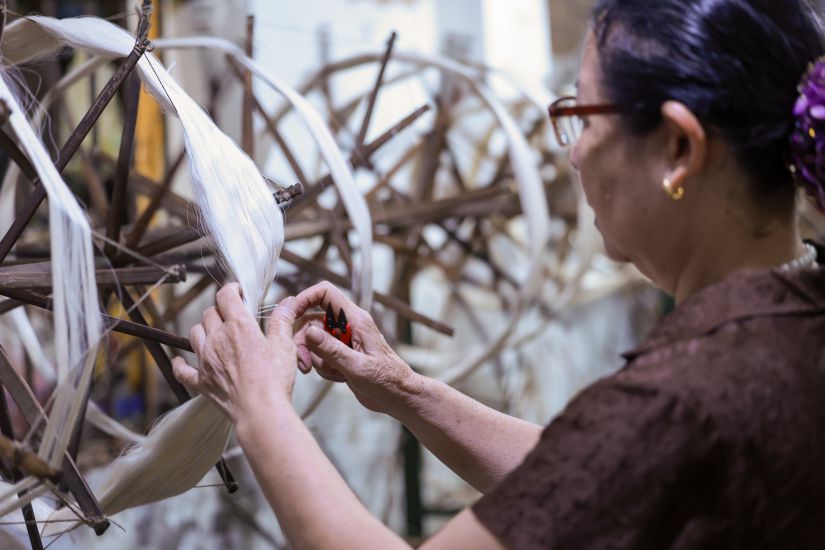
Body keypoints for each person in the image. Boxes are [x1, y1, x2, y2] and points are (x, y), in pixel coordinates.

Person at [171, 0, 825, 547]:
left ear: (678, 147)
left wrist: (258, 406)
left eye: (580, 116)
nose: (573, 156)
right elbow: (595, 475)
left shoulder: (680, 396)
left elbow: (632, 443)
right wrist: (405, 390)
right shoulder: (792, 326)